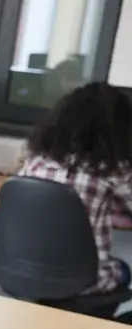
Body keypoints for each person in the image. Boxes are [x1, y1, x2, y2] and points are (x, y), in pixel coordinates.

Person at [18, 82, 132, 297]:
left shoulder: (35, 162)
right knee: (122, 270)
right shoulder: (112, 169)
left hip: (23, 272)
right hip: (82, 281)